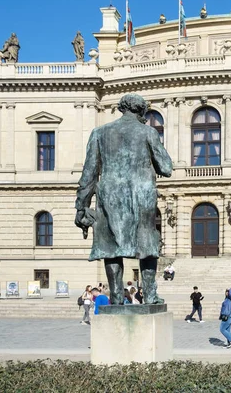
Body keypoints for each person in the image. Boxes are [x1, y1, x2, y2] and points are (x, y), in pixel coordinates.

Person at [75, 94, 173, 305]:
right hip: (142, 195)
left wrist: (81, 206)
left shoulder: (99, 133)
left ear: (122, 108)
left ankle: (117, 296)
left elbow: (89, 173)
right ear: (142, 112)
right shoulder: (148, 132)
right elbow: (166, 167)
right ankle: (150, 295)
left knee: (110, 246)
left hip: (110, 195)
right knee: (147, 243)